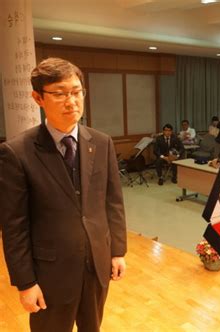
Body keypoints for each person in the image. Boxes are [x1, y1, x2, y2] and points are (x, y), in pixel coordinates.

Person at [0, 57, 127, 332]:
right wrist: (25, 283)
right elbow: (14, 226)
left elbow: (113, 201)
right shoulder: (17, 152)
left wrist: (117, 251)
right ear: (38, 98)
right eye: (59, 93)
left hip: (97, 263)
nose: (71, 101)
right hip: (50, 273)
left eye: (76, 91)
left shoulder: (101, 142)